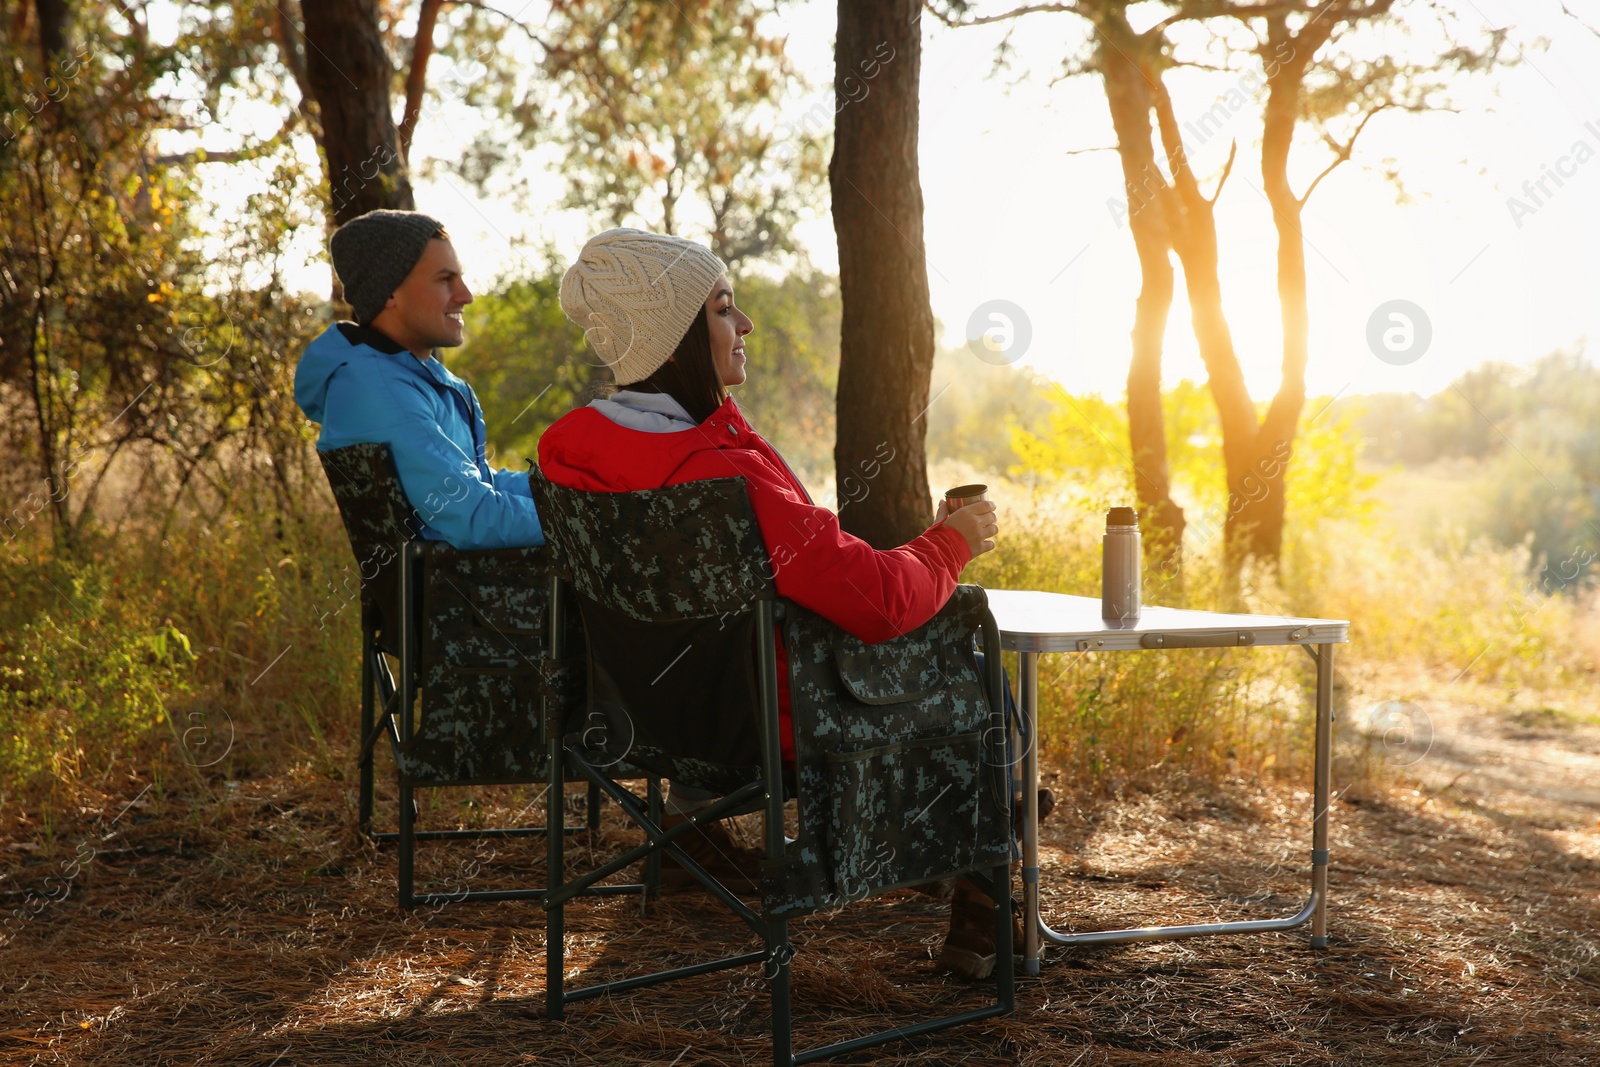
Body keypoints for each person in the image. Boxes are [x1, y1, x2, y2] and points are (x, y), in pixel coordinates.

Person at [540, 228, 1007, 980]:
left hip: (639, 721)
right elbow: (883, 601)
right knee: (970, 644)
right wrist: (950, 544)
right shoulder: (726, 478)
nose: (745, 325)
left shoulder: (568, 455)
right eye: (725, 308)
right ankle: (986, 885)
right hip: (773, 724)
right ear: (676, 336)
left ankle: (967, 835)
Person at [295, 209, 543, 549]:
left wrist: (575, 489)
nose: (466, 295)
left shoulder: (405, 378)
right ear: (390, 293)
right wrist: (586, 520)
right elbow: (476, 516)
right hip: (464, 595)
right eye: (445, 279)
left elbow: (477, 482)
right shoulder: (380, 389)